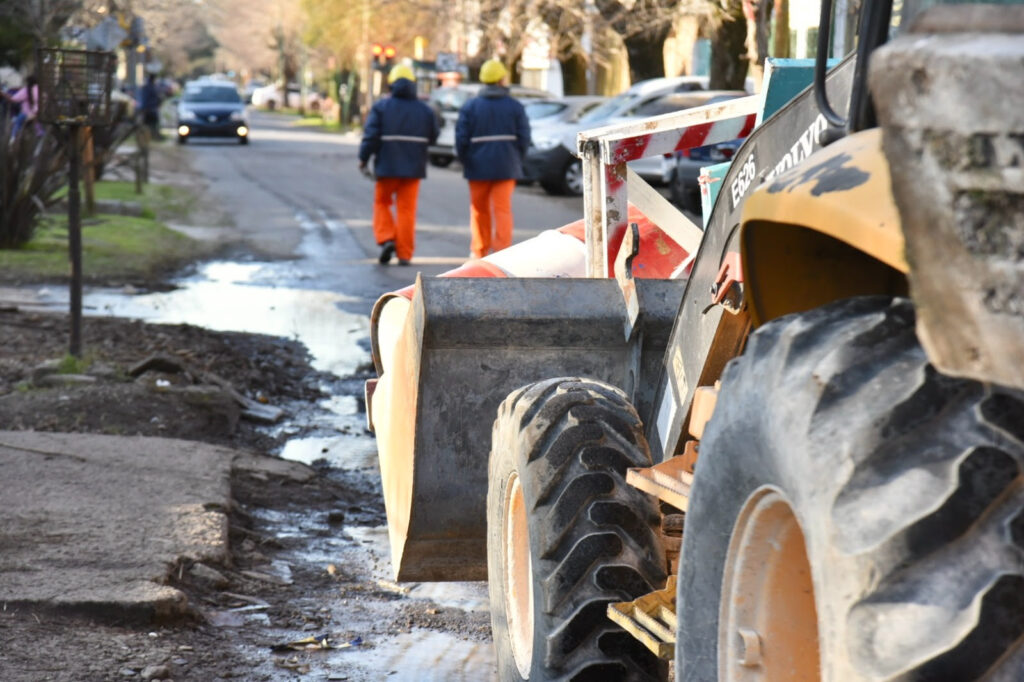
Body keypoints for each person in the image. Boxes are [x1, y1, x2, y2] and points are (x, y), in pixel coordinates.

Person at [359, 64, 439, 266]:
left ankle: (386, 238)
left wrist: (363, 158)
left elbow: (371, 136)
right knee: (407, 210)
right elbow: (434, 136)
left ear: (391, 85)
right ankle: (404, 254)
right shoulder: (425, 110)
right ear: (413, 84)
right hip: (414, 168)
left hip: (387, 166)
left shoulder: (381, 107)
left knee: (382, 203)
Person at [455, 58, 531, 259]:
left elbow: (461, 139)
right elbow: (524, 137)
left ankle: (479, 251)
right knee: (502, 209)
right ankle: (502, 252)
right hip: (506, 166)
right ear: (501, 80)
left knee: (479, 210)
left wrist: (466, 160)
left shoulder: (470, 106)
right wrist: (516, 159)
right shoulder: (515, 106)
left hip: (477, 166)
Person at [137, 74, 162, 139]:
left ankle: (152, 135)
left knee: (150, 123)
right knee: (149, 124)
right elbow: (145, 98)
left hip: (151, 109)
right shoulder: (150, 87)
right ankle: (150, 136)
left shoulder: (151, 87)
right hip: (150, 109)